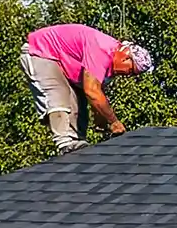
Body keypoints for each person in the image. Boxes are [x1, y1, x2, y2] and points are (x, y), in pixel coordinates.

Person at [20, 22, 151, 152]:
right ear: (125, 58)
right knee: (59, 95)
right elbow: (92, 92)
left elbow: (96, 99)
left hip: (63, 62)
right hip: (40, 51)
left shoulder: (109, 67)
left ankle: (76, 143)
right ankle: (65, 142)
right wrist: (114, 122)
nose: (128, 75)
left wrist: (101, 120)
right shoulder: (103, 50)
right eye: (131, 71)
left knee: (79, 102)